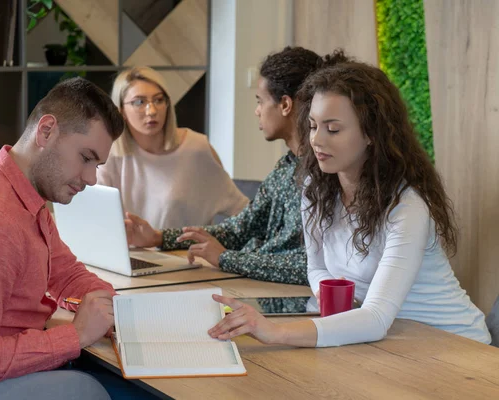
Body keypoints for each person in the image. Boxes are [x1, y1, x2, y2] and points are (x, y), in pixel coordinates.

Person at [208, 62, 491, 346]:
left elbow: (376, 318)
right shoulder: (314, 190)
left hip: (453, 344)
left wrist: (274, 331)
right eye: (313, 126)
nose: (317, 140)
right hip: (388, 342)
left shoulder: (406, 207)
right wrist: (335, 305)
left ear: (371, 134)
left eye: (333, 129)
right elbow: (317, 269)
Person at [0, 78, 154, 399]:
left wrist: (118, 309)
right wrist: (76, 335)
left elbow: (66, 273)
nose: (92, 178)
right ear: (46, 130)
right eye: (85, 157)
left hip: (0, 378)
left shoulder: (21, 193)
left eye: (97, 164)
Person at [125, 47, 349, 283]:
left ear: (285, 105)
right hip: (265, 291)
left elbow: (307, 264)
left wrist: (225, 258)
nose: (257, 111)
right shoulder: (286, 167)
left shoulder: (326, 172)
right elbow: (240, 229)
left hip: (297, 301)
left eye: (260, 101)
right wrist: (159, 238)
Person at [96, 66, 248, 229]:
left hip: (184, 253)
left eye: (158, 100)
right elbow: (95, 219)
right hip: (125, 253)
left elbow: (244, 212)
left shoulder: (197, 148)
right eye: (139, 102)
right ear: (121, 111)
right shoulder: (108, 155)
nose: (152, 111)